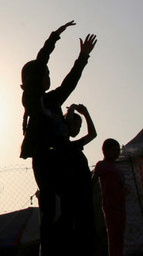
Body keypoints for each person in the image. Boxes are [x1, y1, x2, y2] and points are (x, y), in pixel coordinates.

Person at [19, 21, 97, 255]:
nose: (49, 77)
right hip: (46, 161)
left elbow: (70, 82)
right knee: (53, 213)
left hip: (63, 161)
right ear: (37, 79)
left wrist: (82, 57)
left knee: (72, 212)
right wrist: (54, 37)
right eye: (47, 74)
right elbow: (40, 62)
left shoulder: (52, 101)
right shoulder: (34, 101)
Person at [60, 104, 97, 256]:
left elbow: (93, 134)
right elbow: (64, 128)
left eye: (80, 125)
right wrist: (71, 112)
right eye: (76, 124)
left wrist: (86, 113)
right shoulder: (62, 145)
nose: (78, 128)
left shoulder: (75, 145)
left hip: (85, 196)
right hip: (73, 198)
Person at [93, 139, 125, 256]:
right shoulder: (102, 165)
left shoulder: (115, 167)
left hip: (120, 204)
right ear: (105, 151)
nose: (117, 153)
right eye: (114, 150)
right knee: (113, 236)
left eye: (118, 150)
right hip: (110, 205)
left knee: (119, 236)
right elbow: (93, 181)